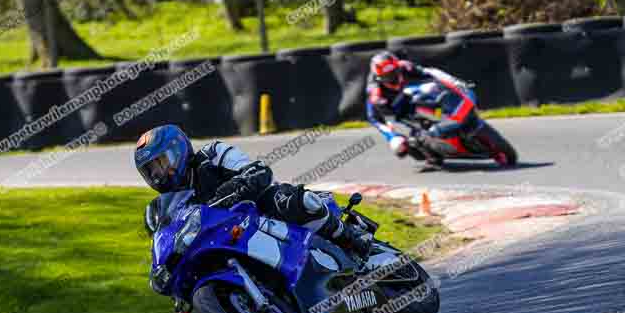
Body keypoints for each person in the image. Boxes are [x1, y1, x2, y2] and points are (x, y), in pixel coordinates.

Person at [135, 124, 373, 259]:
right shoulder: (168, 205)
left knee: (294, 202)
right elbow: (167, 238)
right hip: (226, 236)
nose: (159, 174)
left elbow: (258, 172)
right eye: (152, 171)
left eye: (162, 163)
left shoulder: (212, 154)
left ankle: (349, 238)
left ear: (179, 150)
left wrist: (231, 192)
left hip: (260, 209)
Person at [366, 51, 475, 164]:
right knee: (398, 145)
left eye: (394, 72)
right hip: (390, 113)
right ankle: (431, 156)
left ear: (398, 67)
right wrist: (393, 135)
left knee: (432, 93)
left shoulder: (405, 66)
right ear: (379, 78)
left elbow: (432, 72)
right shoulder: (376, 94)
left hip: (408, 98)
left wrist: (455, 82)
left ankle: (449, 119)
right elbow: (388, 120)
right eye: (387, 77)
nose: (393, 78)